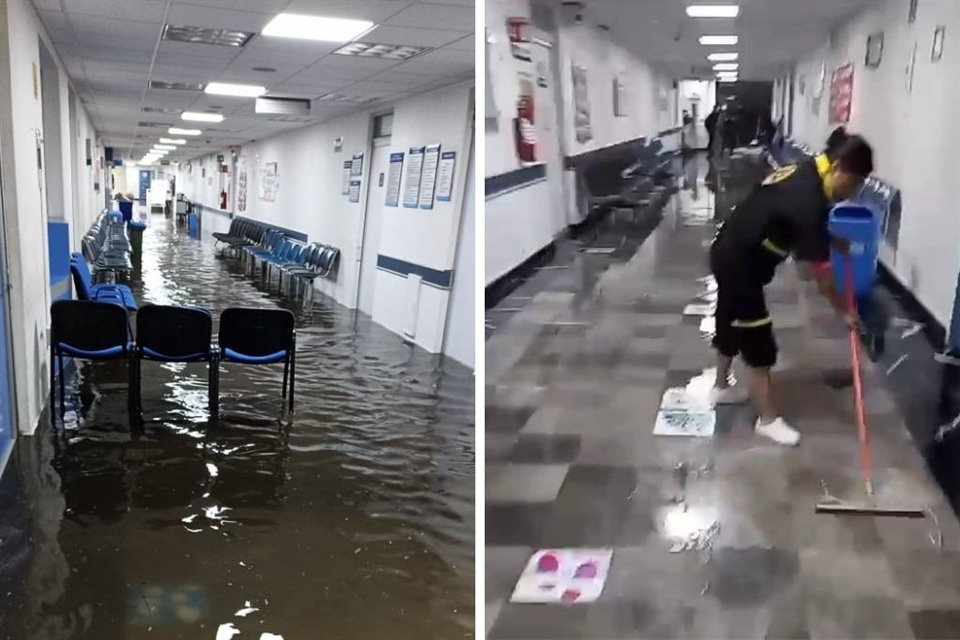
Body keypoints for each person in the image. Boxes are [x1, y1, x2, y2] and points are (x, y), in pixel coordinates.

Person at [708, 135, 875, 445]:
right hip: (741, 263)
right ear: (837, 167)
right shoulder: (809, 199)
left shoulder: (807, 173)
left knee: (729, 317)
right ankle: (767, 420)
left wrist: (835, 242)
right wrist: (845, 312)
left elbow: (801, 220)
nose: (851, 193)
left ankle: (720, 387)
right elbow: (823, 279)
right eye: (852, 184)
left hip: (729, 249)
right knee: (758, 338)